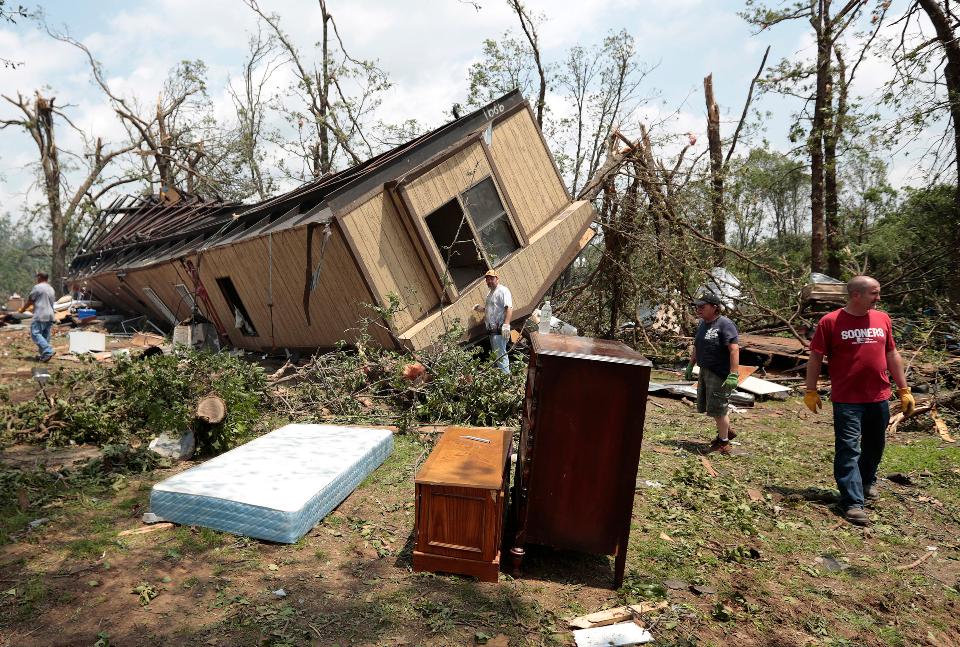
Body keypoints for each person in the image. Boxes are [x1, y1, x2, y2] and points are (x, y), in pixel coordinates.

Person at [804, 275, 914, 526]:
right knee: (849, 449)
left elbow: (891, 353)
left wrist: (904, 388)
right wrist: (811, 390)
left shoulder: (882, 319)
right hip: (847, 399)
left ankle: (866, 481)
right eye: (874, 293)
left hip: (879, 396)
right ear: (856, 295)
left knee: (875, 445)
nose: (878, 297)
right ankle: (852, 502)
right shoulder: (830, 321)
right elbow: (815, 357)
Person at [684, 291, 740, 455]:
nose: (698, 309)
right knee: (711, 406)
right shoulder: (703, 324)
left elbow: (734, 350)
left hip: (719, 373)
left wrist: (733, 374)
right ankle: (726, 431)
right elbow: (697, 346)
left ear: (715, 308)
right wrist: (690, 364)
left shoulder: (725, 324)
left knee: (718, 408)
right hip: (705, 370)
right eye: (697, 306)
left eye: (702, 306)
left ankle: (723, 443)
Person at [20, 271, 57, 362]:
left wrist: (22, 310)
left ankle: (48, 351)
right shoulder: (51, 288)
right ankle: (44, 355)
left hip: (40, 314)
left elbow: (30, 300)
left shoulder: (38, 287)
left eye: (37, 277)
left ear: (40, 277)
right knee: (45, 336)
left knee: (35, 334)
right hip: (50, 315)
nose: (37, 279)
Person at [480, 269, 512, 374]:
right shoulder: (490, 293)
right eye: (487, 279)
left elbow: (509, 307)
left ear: (497, 279)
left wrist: (506, 324)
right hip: (491, 330)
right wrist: (481, 309)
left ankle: (505, 380)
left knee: (501, 355)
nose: (489, 281)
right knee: (497, 355)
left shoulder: (503, 290)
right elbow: (492, 310)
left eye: (491, 278)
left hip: (500, 328)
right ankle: (501, 379)